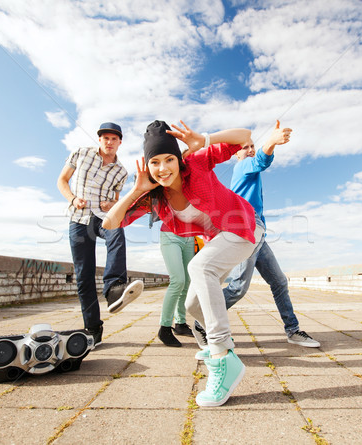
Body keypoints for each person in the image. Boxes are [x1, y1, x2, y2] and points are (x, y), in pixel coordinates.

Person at [103, 119, 263, 407]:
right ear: (147, 165)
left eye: (168, 159)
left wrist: (205, 138)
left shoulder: (197, 164)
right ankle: (211, 342)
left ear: (178, 159)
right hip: (221, 240)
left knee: (199, 268)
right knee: (191, 306)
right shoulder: (155, 197)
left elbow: (244, 136)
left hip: (243, 226)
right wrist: (135, 190)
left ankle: (222, 356)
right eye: (154, 162)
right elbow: (110, 222)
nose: (163, 168)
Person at [193, 122, 319, 361]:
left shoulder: (250, 172)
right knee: (238, 287)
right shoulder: (243, 167)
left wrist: (269, 143)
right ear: (236, 153)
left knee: (279, 281)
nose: (250, 149)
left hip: (259, 236)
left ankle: (293, 330)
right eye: (246, 147)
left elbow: (260, 161)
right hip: (244, 234)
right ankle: (201, 321)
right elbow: (261, 160)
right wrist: (271, 142)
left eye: (252, 146)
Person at [57, 122, 144, 348]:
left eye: (113, 139)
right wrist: (73, 199)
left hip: (102, 217)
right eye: (105, 138)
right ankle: (93, 328)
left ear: (119, 142)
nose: (109, 142)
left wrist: (111, 204)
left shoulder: (121, 172)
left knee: (117, 231)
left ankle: (114, 288)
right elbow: (62, 180)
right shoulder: (81, 153)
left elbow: (117, 199)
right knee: (83, 275)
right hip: (79, 218)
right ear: (100, 139)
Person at [157, 227, 195, 347]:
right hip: (170, 234)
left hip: (189, 237)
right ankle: (165, 328)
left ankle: (180, 324)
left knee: (186, 282)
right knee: (178, 281)